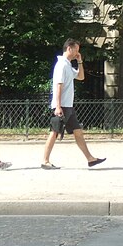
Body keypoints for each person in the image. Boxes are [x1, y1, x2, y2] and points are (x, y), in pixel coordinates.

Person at [42, 39, 106, 170]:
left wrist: (80, 61)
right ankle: (45, 160)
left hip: (68, 106)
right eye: (76, 50)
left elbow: (81, 77)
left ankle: (90, 159)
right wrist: (58, 106)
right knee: (54, 132)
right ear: (69, 48)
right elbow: (59, 86)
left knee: (77, 132)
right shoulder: (62, 65)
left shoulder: (68, 65)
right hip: (63, 105)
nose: (78, 52)